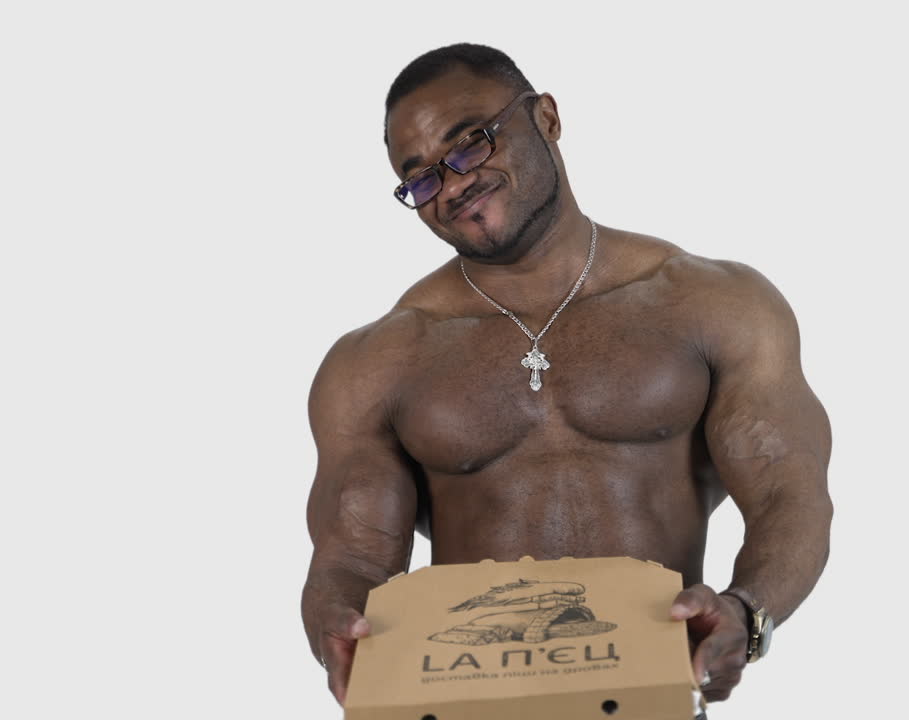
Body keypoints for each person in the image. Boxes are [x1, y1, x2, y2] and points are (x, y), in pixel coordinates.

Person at [300, 42, 833, 711]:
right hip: (466, 705)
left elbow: (792, 495)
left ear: (546, 117)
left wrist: (746, 611)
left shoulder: (713, 305)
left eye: (472, 145)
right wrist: (337, 631)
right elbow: (351, 557)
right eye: (424, 179)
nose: (455, 183)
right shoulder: (377, 362)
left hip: (650, 698)